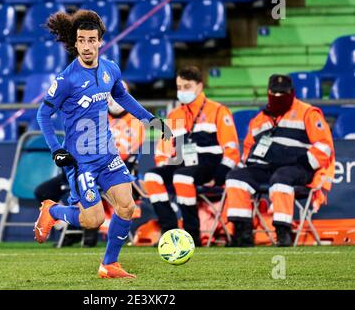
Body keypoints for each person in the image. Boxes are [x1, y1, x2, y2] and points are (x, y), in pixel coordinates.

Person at [34, 9, 172, 278]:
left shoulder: (110, 69)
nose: (86, 46)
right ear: (75, 43)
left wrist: (150, 120)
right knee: (93, 220)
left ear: (100, 41)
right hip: (80, 160)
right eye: (82, 40)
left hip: (107, 154)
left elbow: (122, 97)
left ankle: (109, 264)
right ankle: (53, 211)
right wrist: (56, 150)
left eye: (91, 40)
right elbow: (43, 114)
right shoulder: (66, 80)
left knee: (127, 207)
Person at [225, 74, 334, 247]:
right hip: (265, 168)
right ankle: (242, 233)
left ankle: (283, 233)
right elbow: (247, 149)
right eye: (274, 93)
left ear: (292, 92)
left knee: (281, 178)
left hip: (297, 168)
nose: (278, 97)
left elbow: (324, 147)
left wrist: (303, 163)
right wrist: (251, 164)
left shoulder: (307, 113)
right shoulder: (259, 119)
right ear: (268, 93)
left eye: (282, 93)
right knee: (236, 177)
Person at [33, 81, 145, 247]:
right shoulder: (95, 113)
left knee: (94, 200)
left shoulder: (135, 122)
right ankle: (69, 224)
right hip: (79, 167)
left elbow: (126, 153)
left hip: (110, 169)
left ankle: (83, 232)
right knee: (43, 192)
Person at [143, 66, 240, 246]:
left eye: (187, 87)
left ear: (199, 86)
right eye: (179, 87)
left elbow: (231, 149)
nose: (182, 91)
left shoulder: (218, 111)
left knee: (182, 177)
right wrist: (164, 167)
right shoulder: (174, 115)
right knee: (152, 176)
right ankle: (170, 232)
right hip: (182, 163)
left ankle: (191, 234)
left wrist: (219, 176)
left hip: (208, 164)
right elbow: (163, 152)